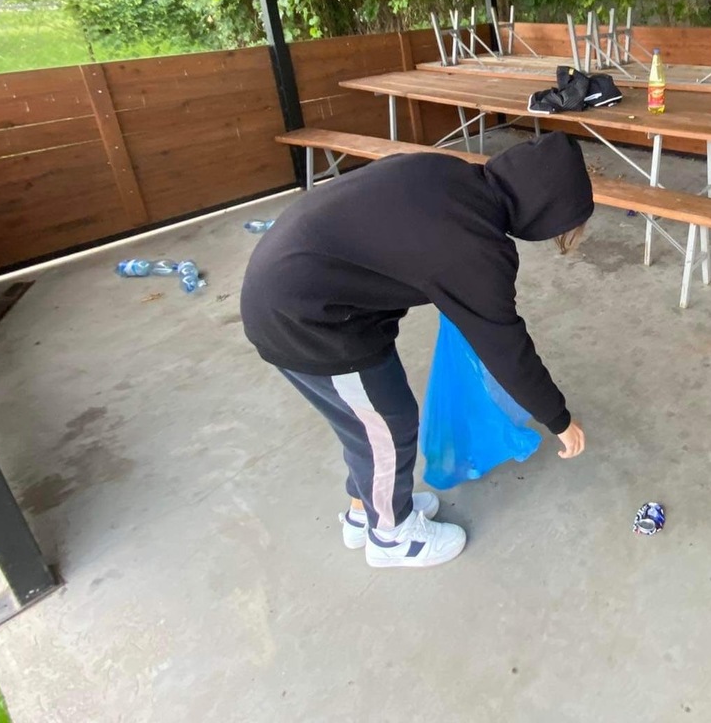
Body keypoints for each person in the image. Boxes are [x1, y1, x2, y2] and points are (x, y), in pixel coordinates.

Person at [240, 132, 592, 570]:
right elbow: (506, 347)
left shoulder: (453, 174)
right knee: (387, 428)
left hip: (310, 287)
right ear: (545, 212)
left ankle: (364, 511)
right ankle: (391, 536)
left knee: (367, 425)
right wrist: (559, 419)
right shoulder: (477, 247)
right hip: (305, 318)